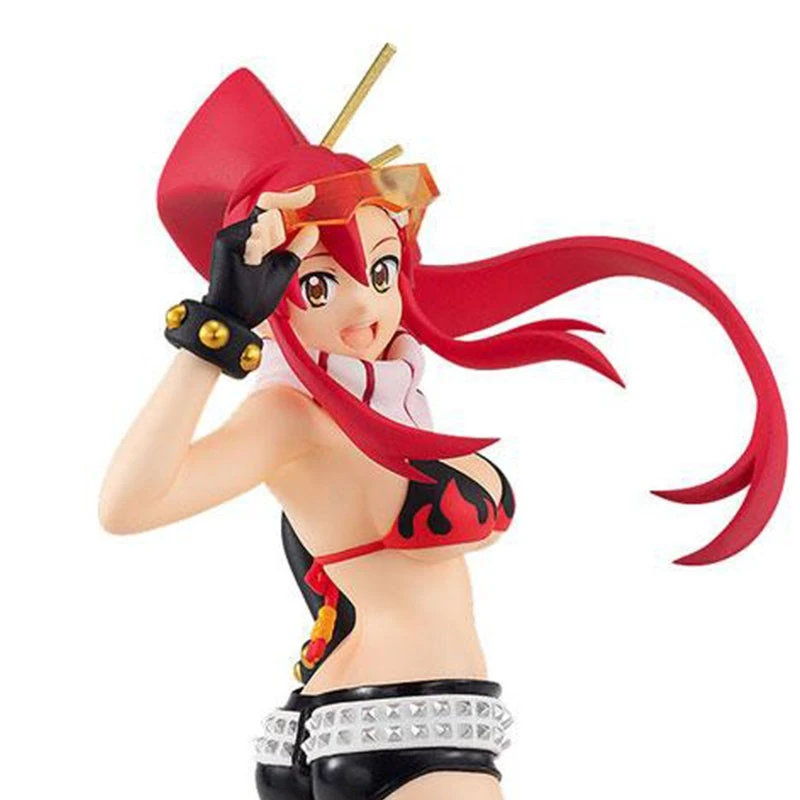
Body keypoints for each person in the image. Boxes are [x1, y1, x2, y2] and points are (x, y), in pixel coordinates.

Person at [99, 50, 787, 800]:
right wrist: (220, 323)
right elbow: (126, 507)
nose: (364, 308)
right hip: (412, 725)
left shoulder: (380, 403)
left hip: (352, 719)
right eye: (318, 284)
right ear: (274, 296)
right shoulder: (290, 415)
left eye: (381, 271)